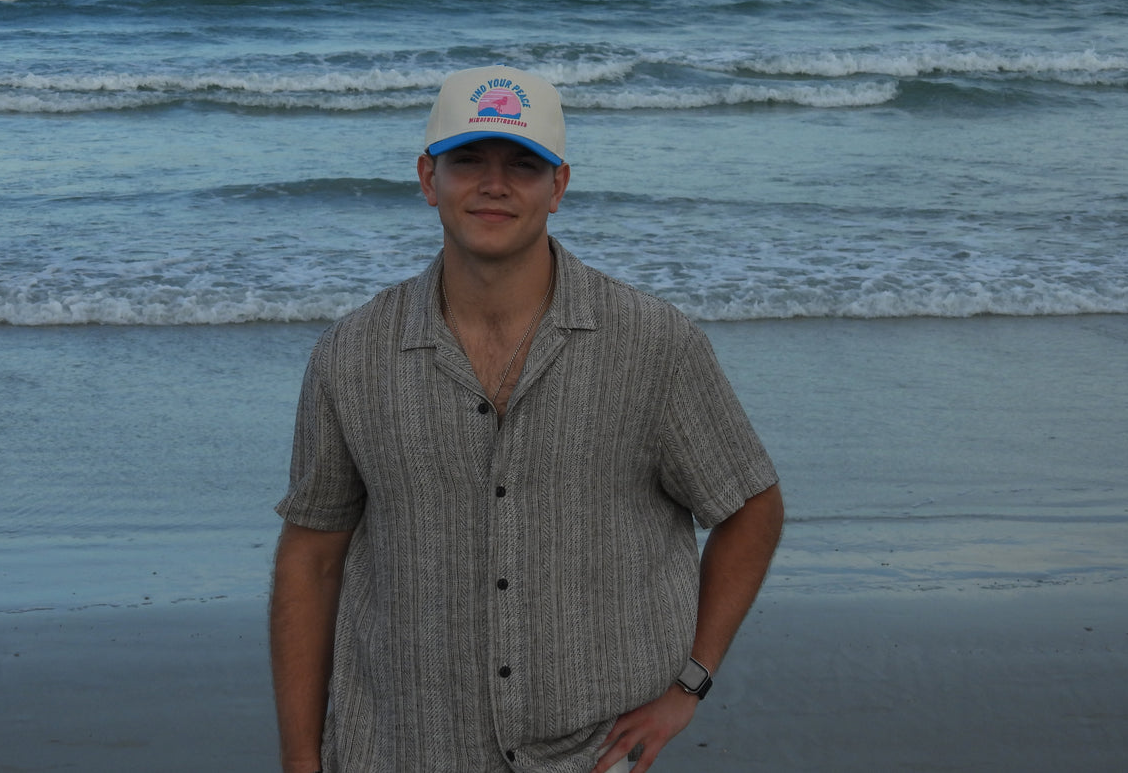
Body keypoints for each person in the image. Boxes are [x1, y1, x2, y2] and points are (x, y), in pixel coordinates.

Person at [270, 65, 783, 773]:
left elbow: (750, 505)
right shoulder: (352, 355)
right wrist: (301, 760)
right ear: (427, 179)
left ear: (558, 187)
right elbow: (311, 558)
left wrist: (688, 683)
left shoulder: (652, 344)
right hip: (402, 745)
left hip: (593, 754)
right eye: (467, 161)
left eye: (522, 164)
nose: (493, 184)